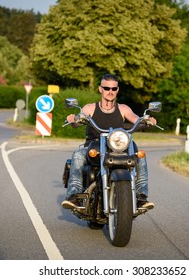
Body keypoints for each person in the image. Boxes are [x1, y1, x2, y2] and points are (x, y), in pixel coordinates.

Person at [61, 74, 155, 210]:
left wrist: (147, 121)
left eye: (113, 88)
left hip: (118, 147)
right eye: (106, 88)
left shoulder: (123, 109)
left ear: (117, 90)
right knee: (77, 155)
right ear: (100, 89)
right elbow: (77, 121)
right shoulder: (90, 108)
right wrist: (72, 120)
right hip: (93, 145)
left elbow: (137, 120)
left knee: (139, 156)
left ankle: (141, 197)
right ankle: (73, 195)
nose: (110, 92)